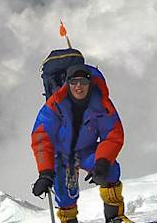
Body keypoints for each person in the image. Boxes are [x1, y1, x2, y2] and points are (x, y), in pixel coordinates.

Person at [30, 64, 130, 223]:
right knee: (64, 190)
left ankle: (115, 218)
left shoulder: (101, 104)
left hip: (87, 150)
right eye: (74, 81)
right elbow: (41, 138)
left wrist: (102, 162)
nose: (79, 86)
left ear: (90, 83)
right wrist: (45, 173)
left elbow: (112, 135)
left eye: (83, 81)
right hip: (61, 154)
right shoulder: (55, 105)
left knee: (110, 170)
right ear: (67, 83)